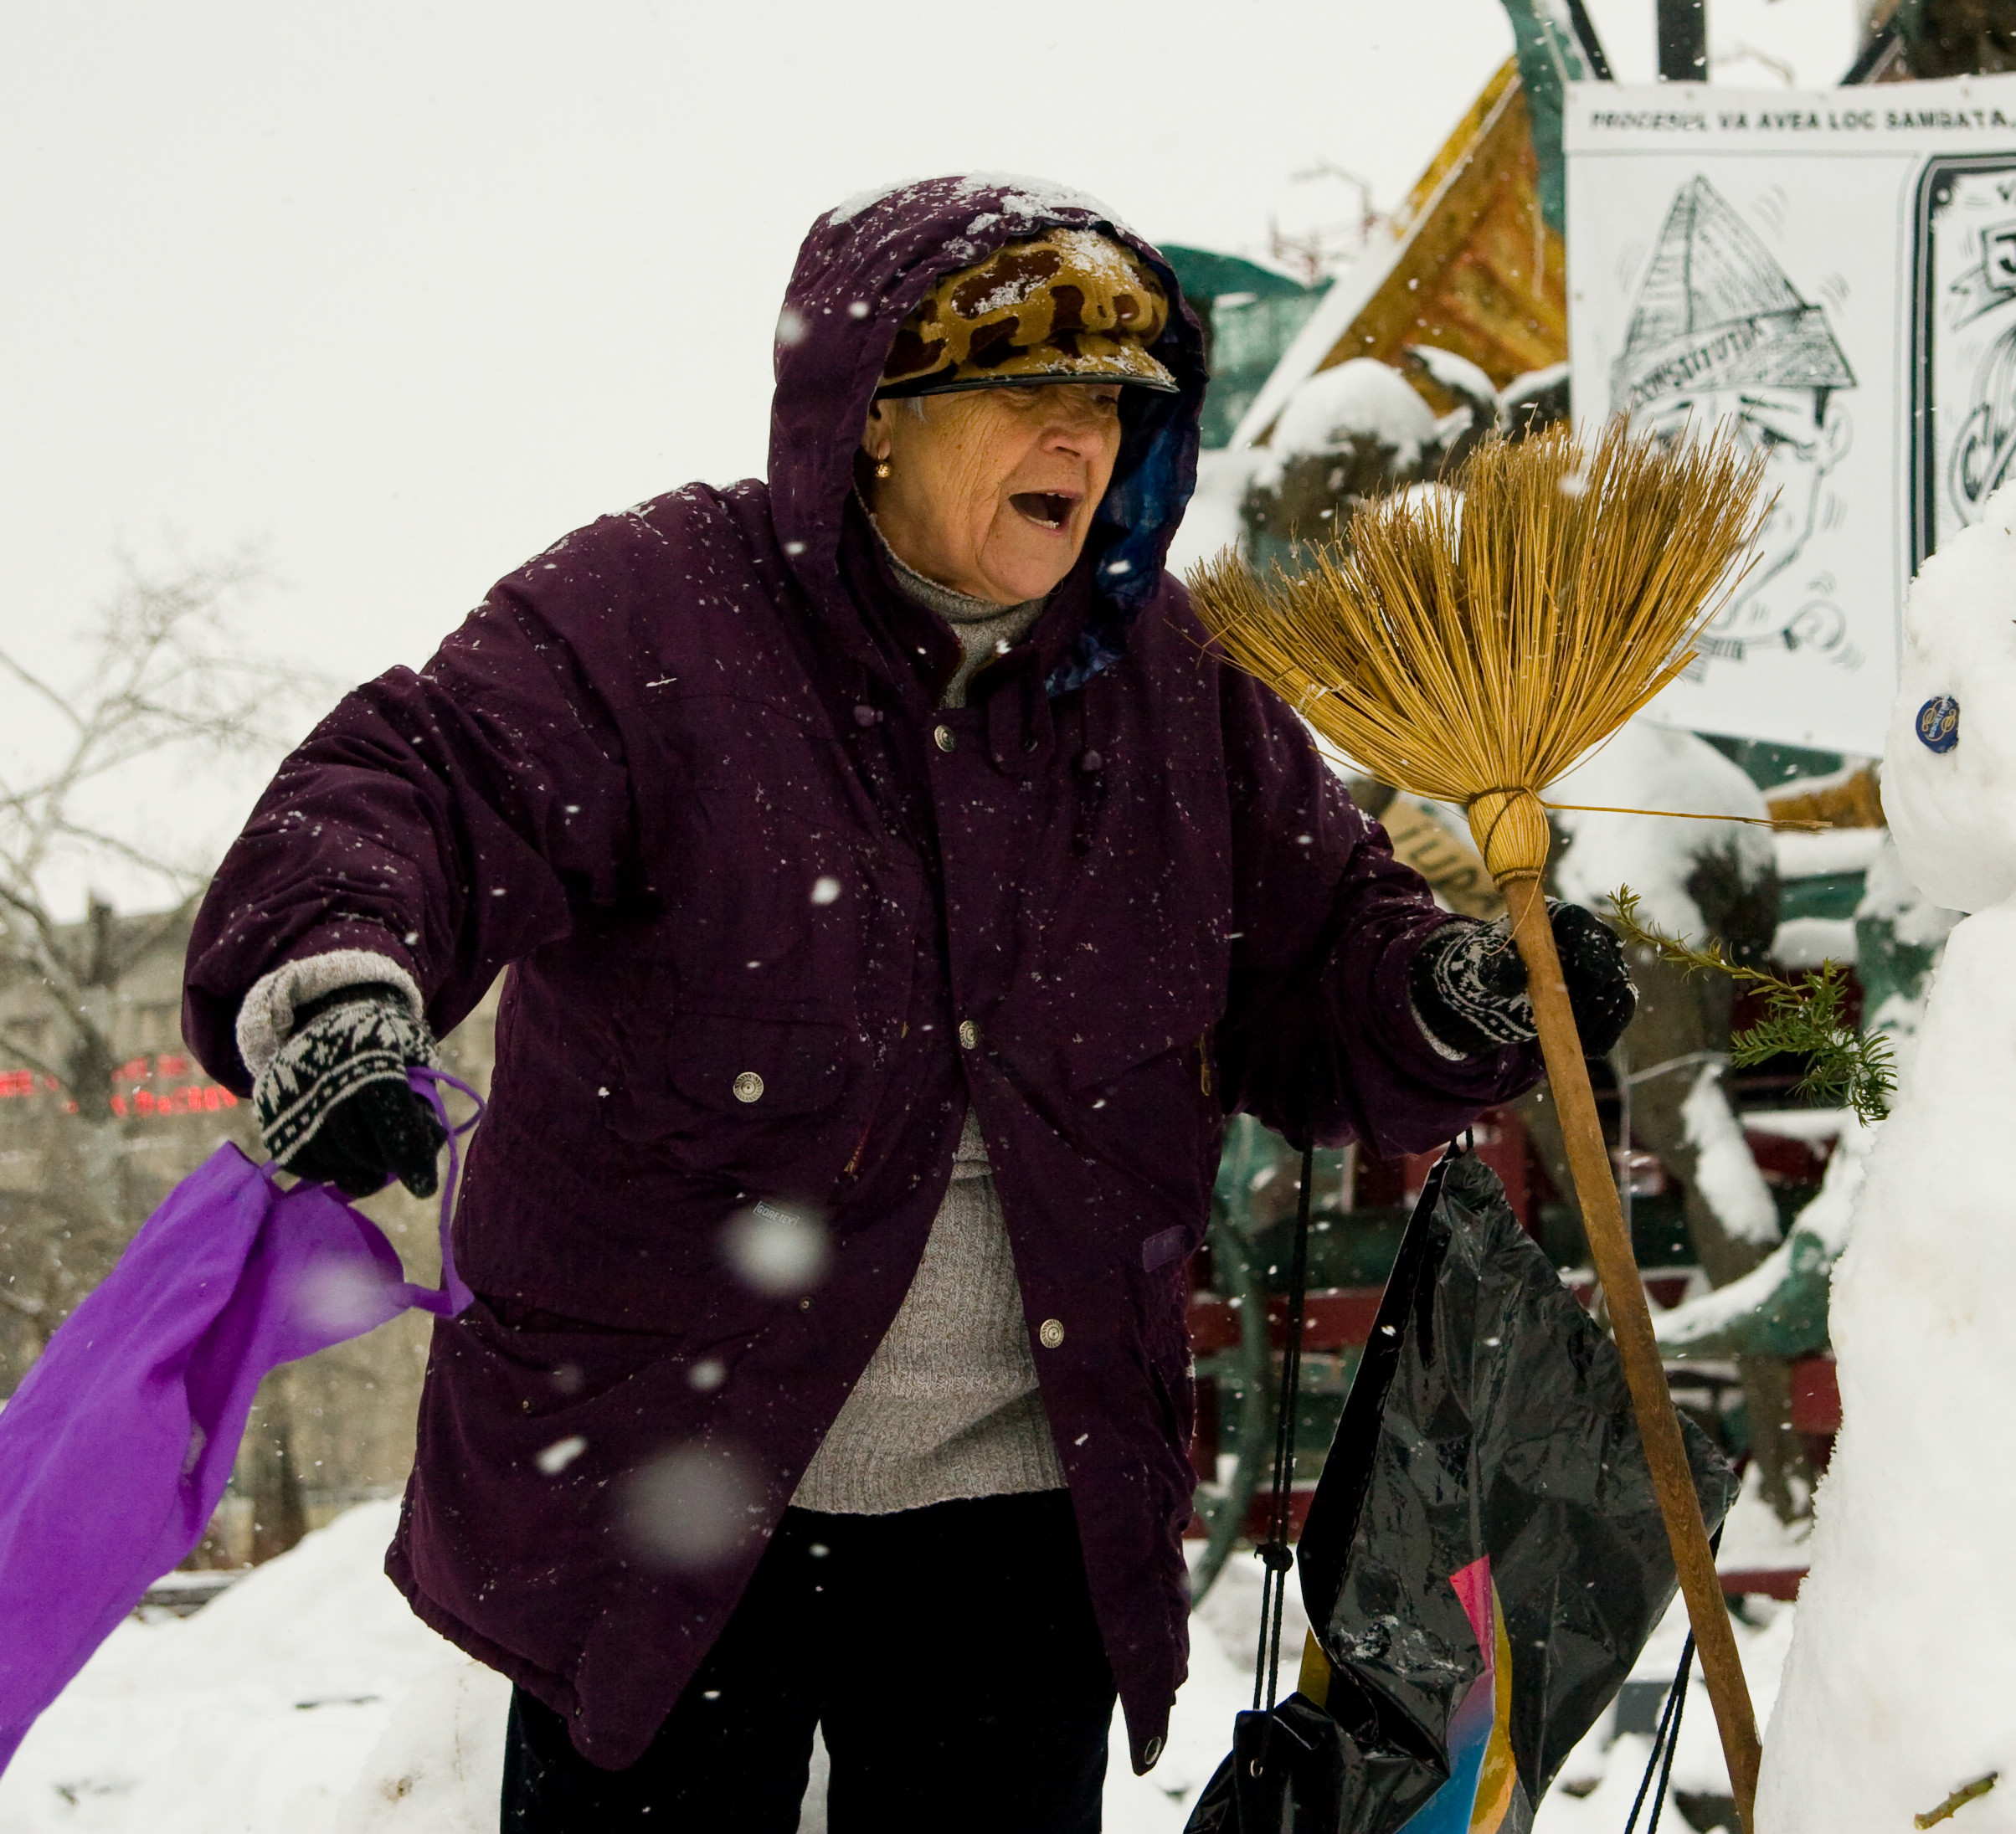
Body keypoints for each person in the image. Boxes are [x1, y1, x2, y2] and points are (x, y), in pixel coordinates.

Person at [181, 174, 1635, 1831]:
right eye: (1026, 396)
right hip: (670, 1494)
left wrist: (1459, 993)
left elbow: (1322, 971)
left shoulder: (1167, 684)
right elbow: (415, 791)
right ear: (873, 417)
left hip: (1022, 1515)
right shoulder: (658, 616)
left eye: (1109, 403)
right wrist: (335, 990)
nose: (1078, 439)